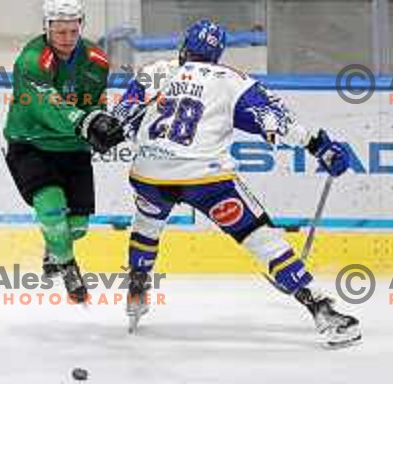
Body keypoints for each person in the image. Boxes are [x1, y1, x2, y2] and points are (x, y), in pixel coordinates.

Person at [111, 19, 360, 346]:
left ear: (184, 47)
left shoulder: (156, 71)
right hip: (207, 180)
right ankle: (322, 309)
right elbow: (276, 122)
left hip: (149, 176)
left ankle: (137, 288)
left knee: (146, 223)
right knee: (260, 237)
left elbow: (120, 120)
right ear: (218, 53)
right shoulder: (232, 80)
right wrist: (320, 146)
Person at [3, 0, 124, 303]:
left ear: (81, 25)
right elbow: (47, 104)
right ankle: (68, 267)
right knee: (52, 210)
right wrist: (85, 124)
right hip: (32, 144)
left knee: (78, 228)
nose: (67, 37)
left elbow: (94, 101)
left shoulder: (96, 60)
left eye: (73, 30)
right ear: (46, 27)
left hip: (73, 148)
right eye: (59, 31)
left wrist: (101, 122)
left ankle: (54, 248)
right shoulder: (32, 60)